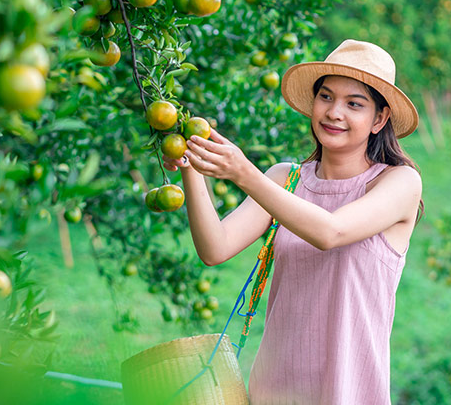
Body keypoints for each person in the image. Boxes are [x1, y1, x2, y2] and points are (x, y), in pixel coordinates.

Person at [161, 39, 424, 405]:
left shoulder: (397, 183)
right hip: (274, 390)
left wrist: (243, 173)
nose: (334, 112)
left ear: (379, 119)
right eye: (326, 97)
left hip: (347, 393)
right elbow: (214, 247)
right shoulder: (286, 179)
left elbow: (330, 231)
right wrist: (191, 164)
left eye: (354, 104)